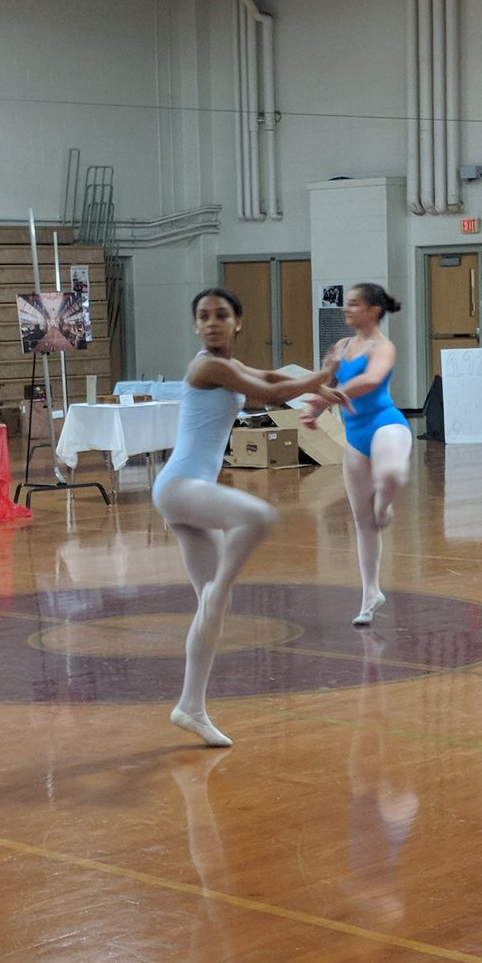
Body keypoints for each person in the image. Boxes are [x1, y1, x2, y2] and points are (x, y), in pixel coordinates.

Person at [152, 287, 349, 747]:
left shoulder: (231, 365)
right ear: (196, 326)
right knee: (258, 517)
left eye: (221, 315)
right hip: (180, 487)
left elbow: (272, 374)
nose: (212, 322)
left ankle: (191, 707)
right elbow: (271, 391)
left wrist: (319, 388)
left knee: (211, 610)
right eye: (203, 316)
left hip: (194, 491)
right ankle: (219, 588)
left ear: (238, 322)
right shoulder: (208, 366)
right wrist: (323, 374)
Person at [301, 283, 412, 626]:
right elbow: (324, 382)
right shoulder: (340, 346)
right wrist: (314, 405)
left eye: (353, 304)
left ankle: (385, 505)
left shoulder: (384, 347)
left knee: (391, 474)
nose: (346, 310)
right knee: (362, 523)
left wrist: (325, 399)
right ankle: (369, 594)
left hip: (385, 424)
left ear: (373, 310)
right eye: (346, 304)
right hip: (355, 437)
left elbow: (370, 380)